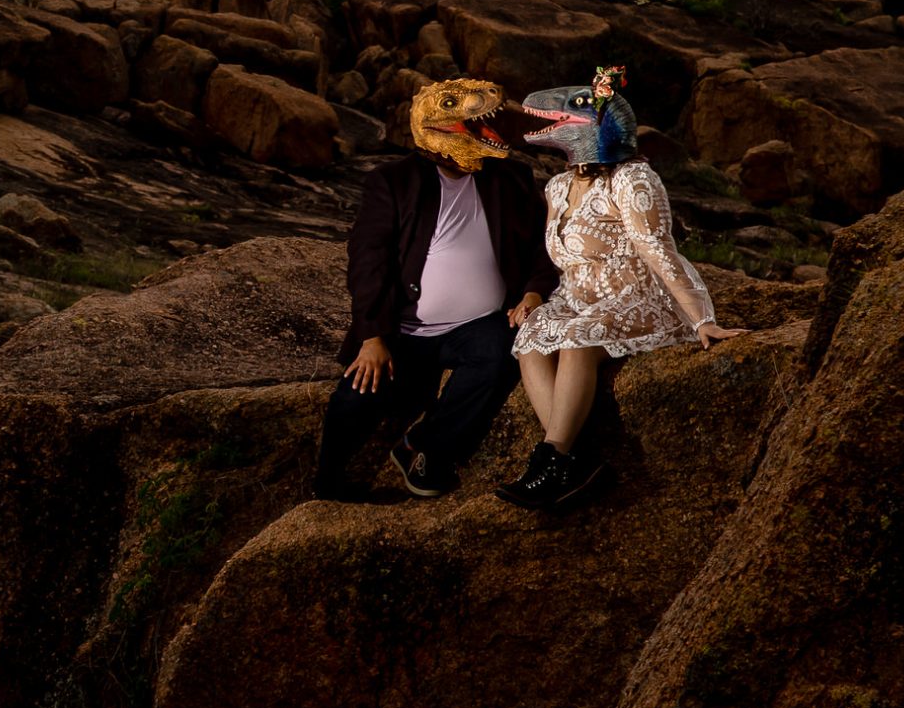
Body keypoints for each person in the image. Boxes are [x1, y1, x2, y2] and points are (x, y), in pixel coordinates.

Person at [500, 66, 746, 510]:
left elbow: (658, 249)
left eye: (575, 108)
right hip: (576, 296)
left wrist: (702, 320)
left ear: (601, 123)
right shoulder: (557, 186)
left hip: (635, 295)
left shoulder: (632, 179)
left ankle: (551, 460)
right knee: (532, 338)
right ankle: (567, 461)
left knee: (576, 341)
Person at [316, 78, 559, 500]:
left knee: (501, 357)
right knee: (356, 395)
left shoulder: (511, 178)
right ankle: (328, 485)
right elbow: (368, 259)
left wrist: (534, 292)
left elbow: (544, 246)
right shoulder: (392, 181)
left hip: (479, 324)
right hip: (404, 330)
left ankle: (423, 447)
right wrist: (372, 337)